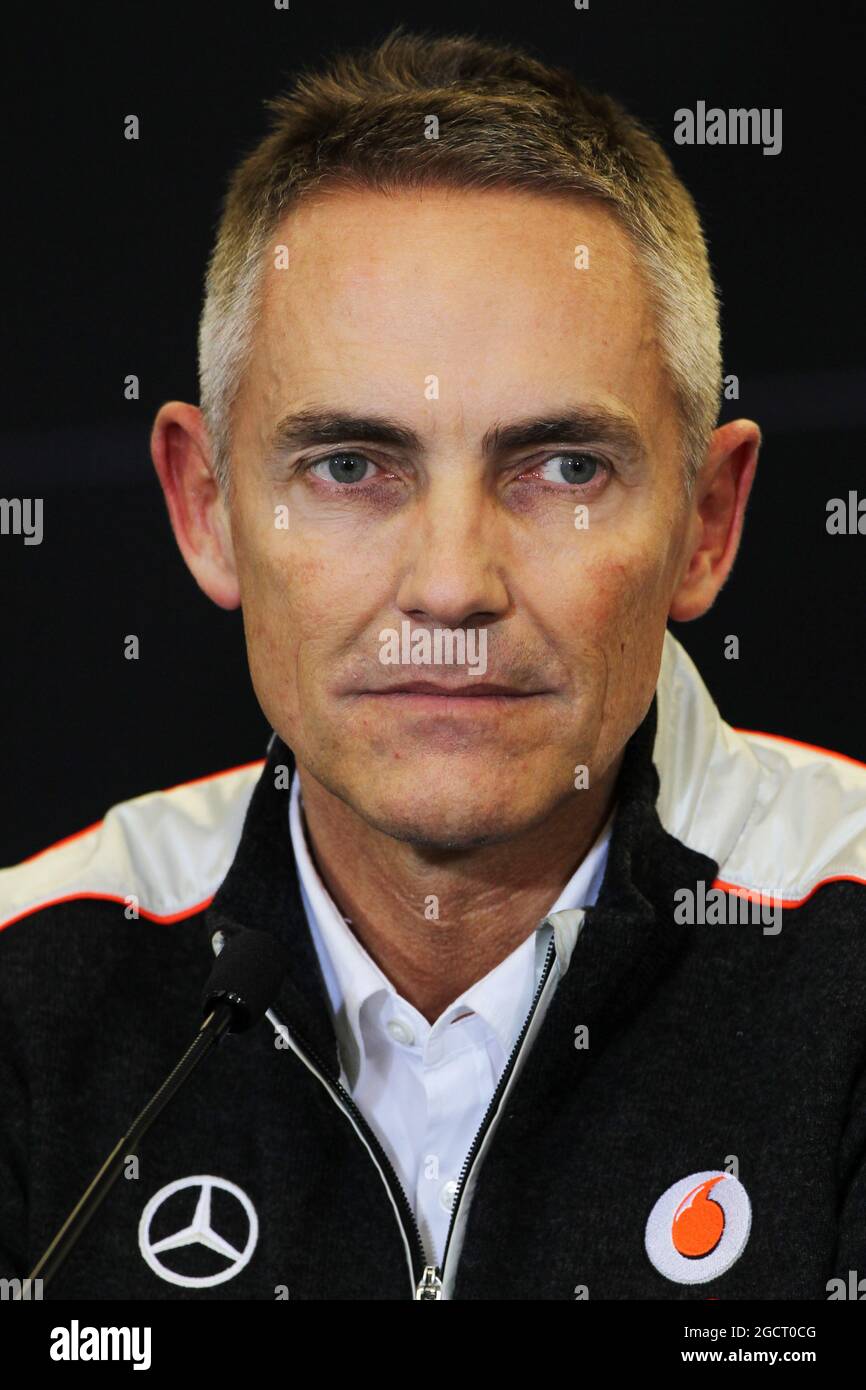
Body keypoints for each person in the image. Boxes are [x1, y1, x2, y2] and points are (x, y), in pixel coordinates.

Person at [1, 28, 864, 1302]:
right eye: (350, 466)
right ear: (206, 507)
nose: (452, 582)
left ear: (705, 520)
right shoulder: (31, 986)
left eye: (563, 467)